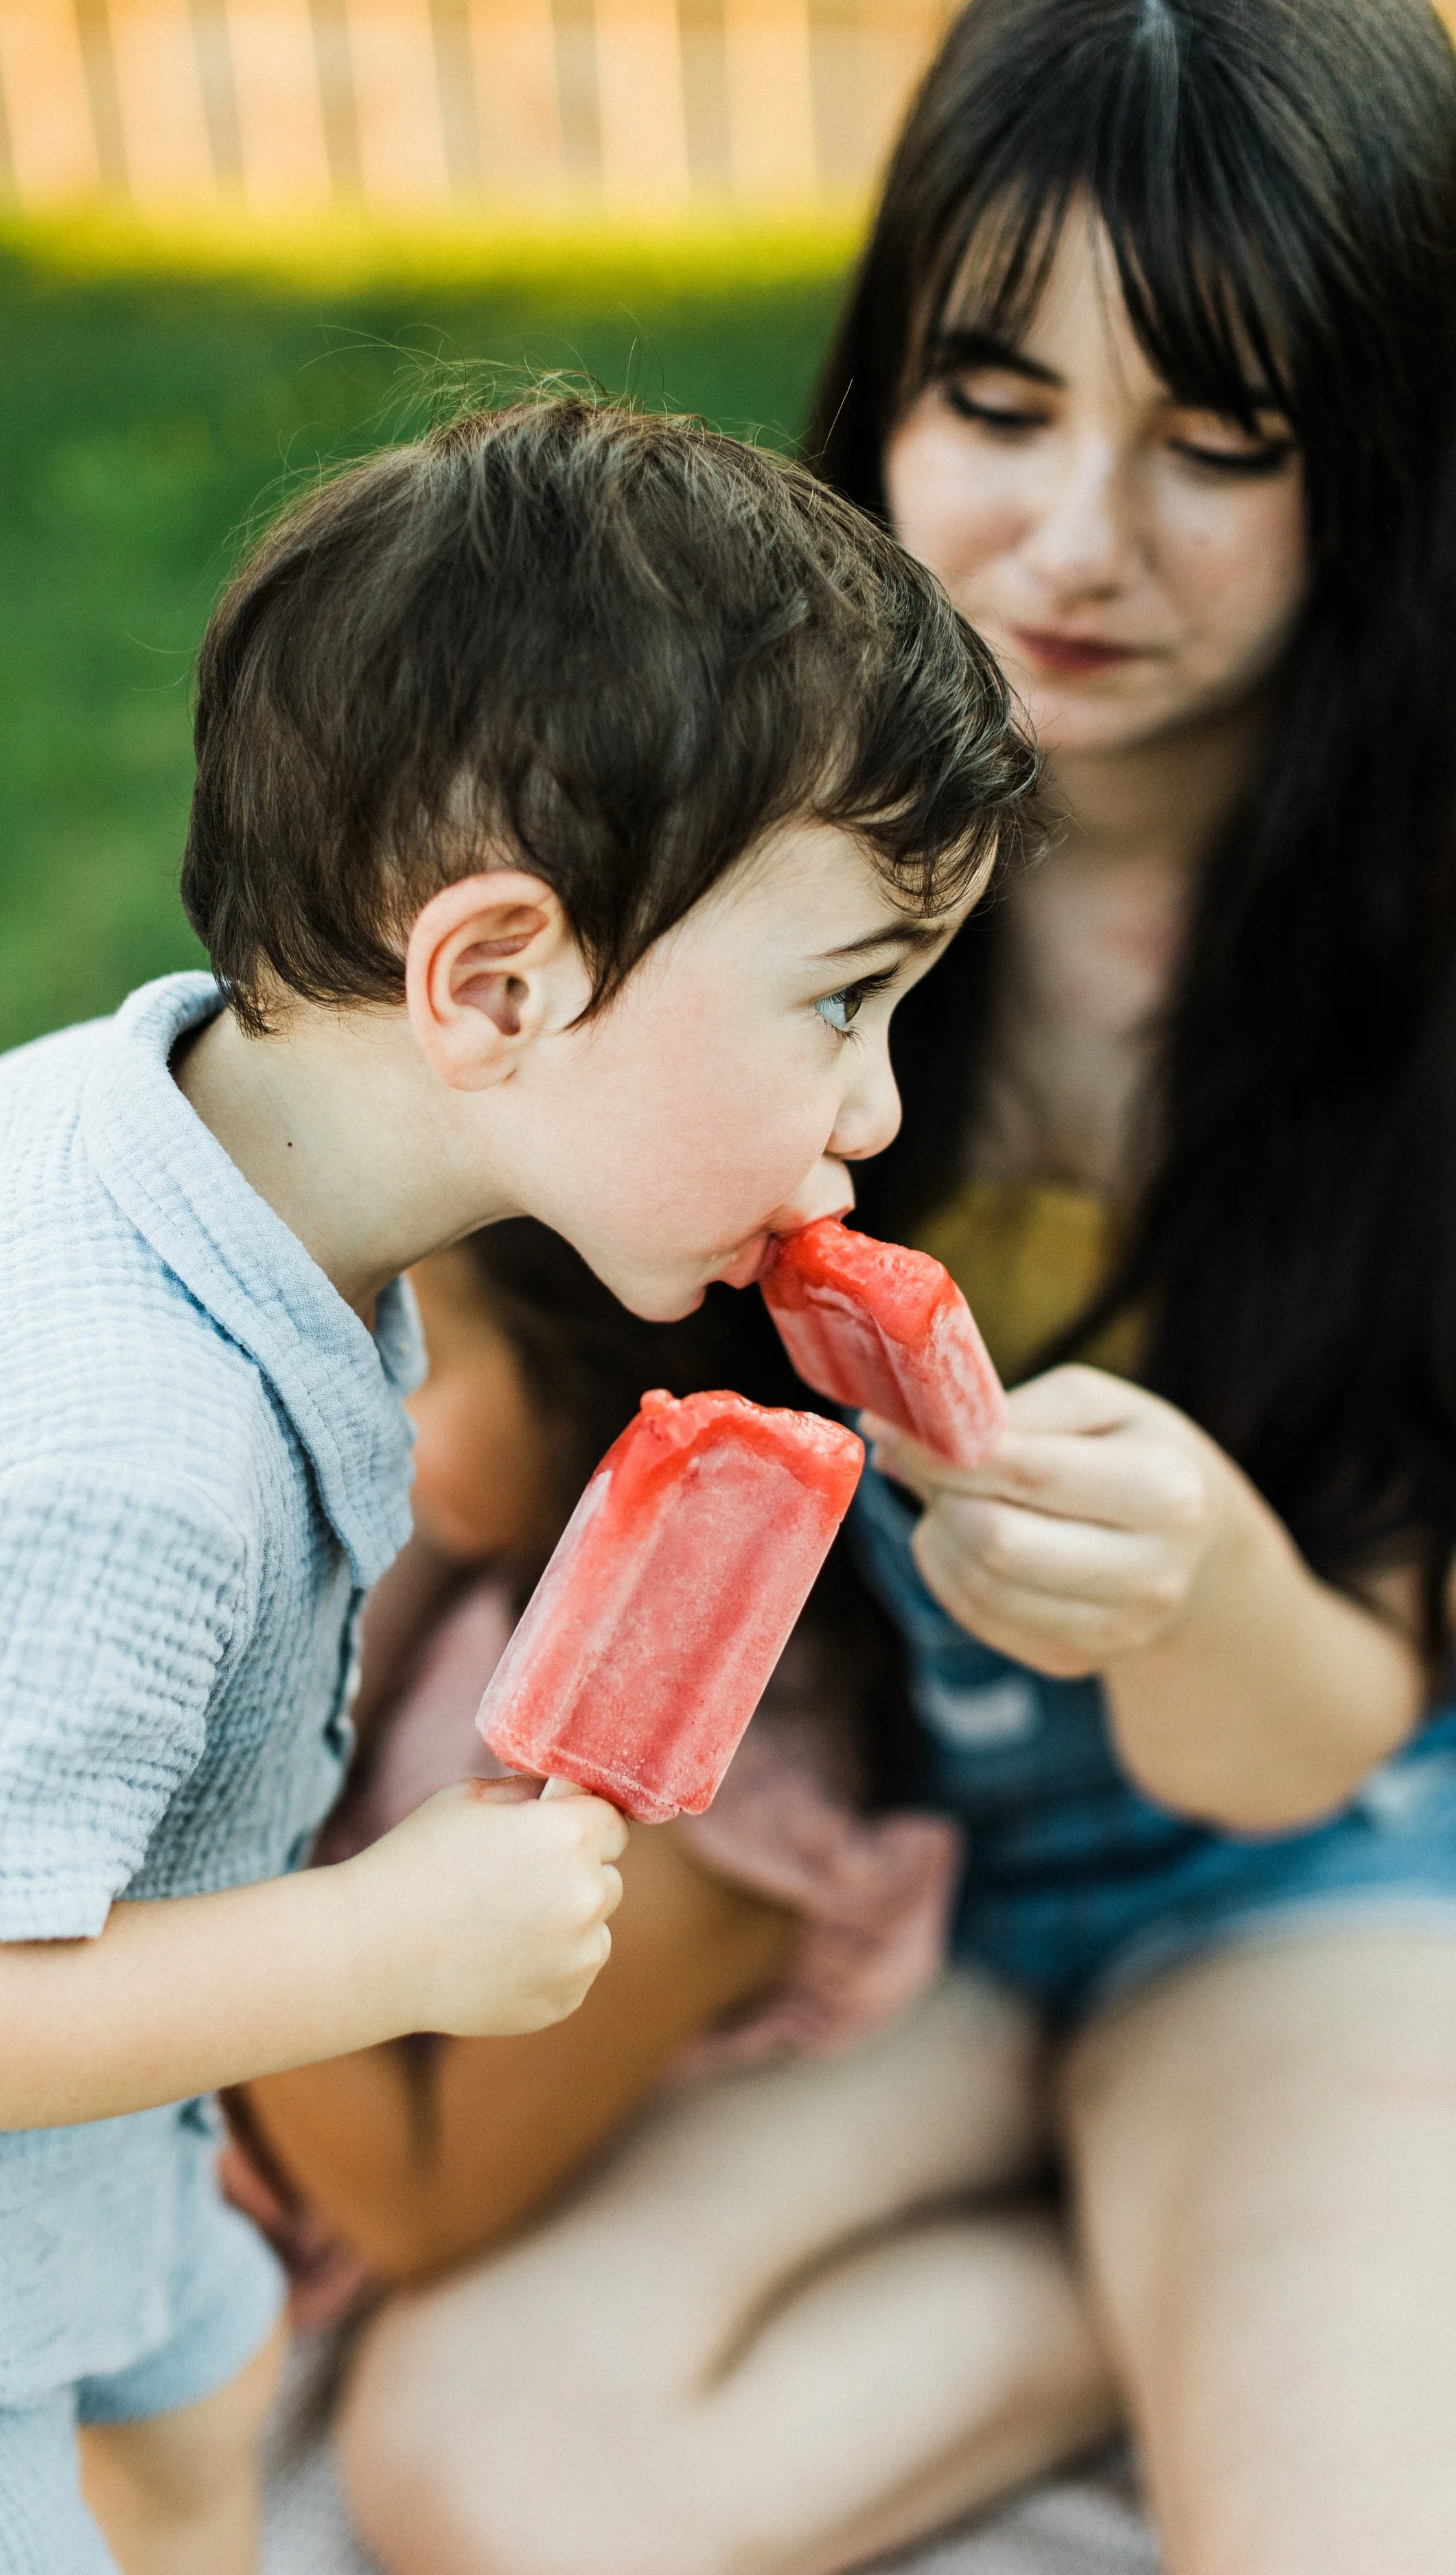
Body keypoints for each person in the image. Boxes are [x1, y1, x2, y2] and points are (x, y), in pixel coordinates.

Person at [336, 8, 1456, 2574]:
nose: (1081, 538)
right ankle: (1123, 2274)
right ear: (882, 399)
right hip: (891, 1884)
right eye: (995, 397)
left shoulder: (1415, 982)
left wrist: (1208, 1585)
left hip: (1297, 1873)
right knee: (476, 2469)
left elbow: (1326, 1735)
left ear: (1387, 457)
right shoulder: (698, 858)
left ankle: (1252, 2223)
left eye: (1223, 443)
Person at [0, 393, 1034, 2575]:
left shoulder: (132, 1122)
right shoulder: (119, 1444)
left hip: (106, 2174)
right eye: (840, 1002)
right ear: (496, 978)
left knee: (209, 2378)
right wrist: (379, 1937)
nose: (877, 1108)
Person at [220, 1221, 960, 2328]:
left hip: (331, 2181)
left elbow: (415, 2207)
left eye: (419, 1359)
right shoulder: (495, 1532)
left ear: (606, 1389)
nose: (359, 1397)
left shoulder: (715, 1816)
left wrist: (197, 1853)